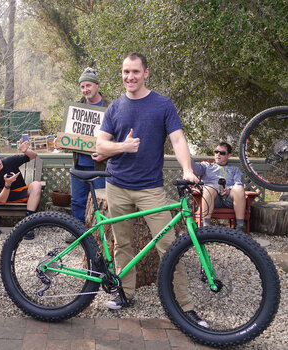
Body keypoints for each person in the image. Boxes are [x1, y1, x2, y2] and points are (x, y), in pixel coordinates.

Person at [96, 52, 207, 327]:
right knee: (122, 244)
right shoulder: (115, 108)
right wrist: (123, 146)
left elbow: (178, 139)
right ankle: (126, 293)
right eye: (125, 72)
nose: (129, 77)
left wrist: (187, 169)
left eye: (135, 72)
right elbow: (99, 146)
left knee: (170, 248)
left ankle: (185, 307)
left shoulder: (162, 105)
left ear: (146, 72)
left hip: (150, 189)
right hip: (116, 186)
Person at [69, 68, 109, 227]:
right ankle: (77, 232)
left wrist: (106, 154)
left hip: (100, 166)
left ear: (97, 85)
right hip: (79, 165)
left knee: (100, 202)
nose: (85, 89)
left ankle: (99, 233)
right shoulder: (76, 107)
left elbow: (117, 137)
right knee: (77, 201)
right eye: (82, 86)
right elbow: (69, 133)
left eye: (88, 85)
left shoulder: (110, 107)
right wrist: (63, 141)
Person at [0, 140, 42, 239]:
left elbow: (33, 156)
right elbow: (2, 199)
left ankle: (27, 226)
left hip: (21, 194)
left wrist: (26, 151)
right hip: (4, 197)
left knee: (36, 185)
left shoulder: (8, 161)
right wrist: (7, 184)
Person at [191, 142, 246, 231]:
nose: (218, 154)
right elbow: (195, 168)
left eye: (222, 153)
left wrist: (228, 190)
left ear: (229, 155)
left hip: (229, 200)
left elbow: (239, 184)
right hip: (211, 199)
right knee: (209, 188)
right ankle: (206, 227)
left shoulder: (235, 170)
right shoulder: (206, 166)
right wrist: (186, 157)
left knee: (239, 188)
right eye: (216, 152)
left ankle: (240, 227)